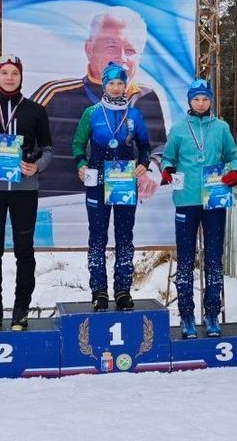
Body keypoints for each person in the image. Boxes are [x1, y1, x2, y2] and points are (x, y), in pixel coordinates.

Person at [31, 6, 165, 197]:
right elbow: (21, 139)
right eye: (111, 46)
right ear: (89, 49)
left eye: (131, 50)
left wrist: (153, 166)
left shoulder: (146, 97)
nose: (121, 58)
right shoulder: (54, 95)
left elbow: (161, 147)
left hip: (122, 202)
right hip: (62, 212)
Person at [0, 54, 53, 332]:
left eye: (14, 73)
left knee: (24, 251)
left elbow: (48, 151)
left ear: (21, 76)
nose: (9, 78)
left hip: (24, 190)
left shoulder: (35, 111)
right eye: (5, 73)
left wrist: (35, 167)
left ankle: (20, 312)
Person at [160, 78, 237, 339]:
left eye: (205, 99)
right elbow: (168, 157)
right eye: (197, 99)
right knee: (185, 259)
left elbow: (233, 157)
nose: (201, 103)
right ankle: (186, 315)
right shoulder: (179, 128)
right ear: (190, 101)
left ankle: (212, 314)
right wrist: (167, 169)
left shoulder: (221, 127)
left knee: (214, 259)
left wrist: (235, 173)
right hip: (186, 200)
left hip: (214, 200)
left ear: (211, 101)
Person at [72, 62, 151, 311]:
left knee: (125, 238)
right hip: (97, 183)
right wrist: (81, 165)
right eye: (111, 83)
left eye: (120, 84)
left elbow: (146, 147)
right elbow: (77, 145)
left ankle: (123, 290)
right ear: (104, 85)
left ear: (125, 86)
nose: (116, 88)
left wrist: (144, 164)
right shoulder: (91, 113)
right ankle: (98, 291)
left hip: (125, 183)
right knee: (97, 237)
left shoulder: (134, 115)